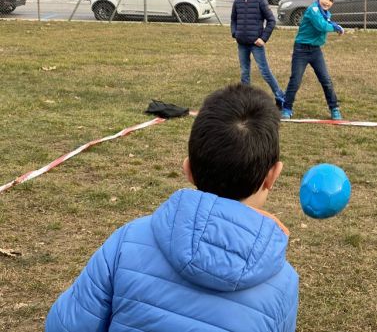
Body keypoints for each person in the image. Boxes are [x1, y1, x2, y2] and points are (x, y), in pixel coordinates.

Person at [45, 84, 299, 332]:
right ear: (273, 176)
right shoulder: (284, 283)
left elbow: (64, 325)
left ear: (188, 169)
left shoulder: (127, 241)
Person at [281, 0, 344, 120]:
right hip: (301, 50)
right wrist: (335, 27)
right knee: (295, 80)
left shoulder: (325, 13)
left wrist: (334, 24)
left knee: (326, 80)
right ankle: (286, 108)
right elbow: (321, 26)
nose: (326, 2)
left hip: (316, 51)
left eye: (330, 0)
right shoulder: (313, 9)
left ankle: (334, 108)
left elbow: (326, 21)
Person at [232, 0, 285, 108]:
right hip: (242, 43)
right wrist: (235, 33)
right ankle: (245, 99)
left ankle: (280, 96)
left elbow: (271, 21)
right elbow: (233, 20)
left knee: (265, 71)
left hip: (256, 44)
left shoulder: (261, 0)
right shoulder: (237, 2)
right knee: (244, 72)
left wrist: (263, 38)